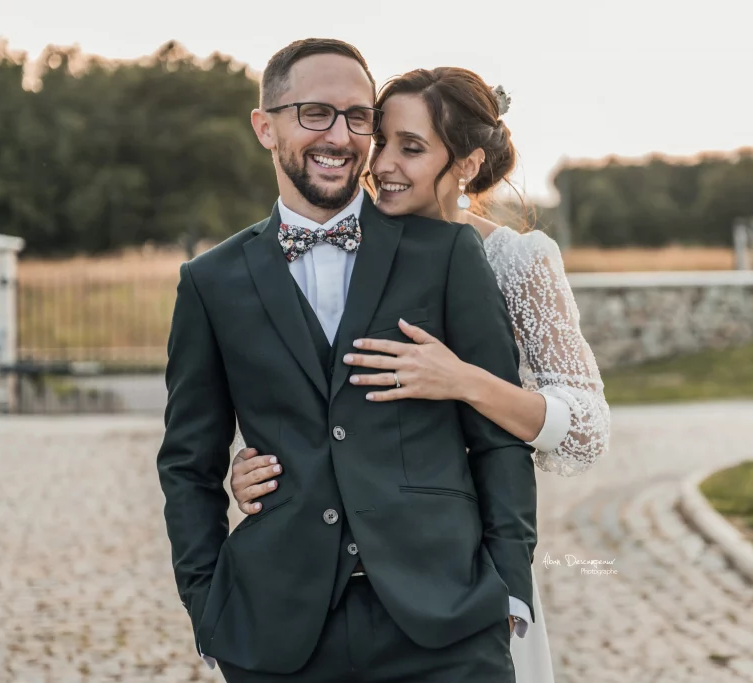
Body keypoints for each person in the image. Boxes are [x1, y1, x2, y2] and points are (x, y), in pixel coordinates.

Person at [156, 38, 537, 683]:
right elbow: (188, 464)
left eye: (358, 117)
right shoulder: (210, 281)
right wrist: (209, 608)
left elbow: (498, 438)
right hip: (278, 634)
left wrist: (508, 591)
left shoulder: (445, 255)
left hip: (448, 628)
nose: (339, 135)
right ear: (265, 127)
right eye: (315, 113)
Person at [229, 65, 611, 682]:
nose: (381, 164)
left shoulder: (514, 258)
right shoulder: (335, 243)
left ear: (466, 163)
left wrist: (464, 381)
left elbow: (587, 429)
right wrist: (257, 464)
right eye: (381, 140)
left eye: (411, 148)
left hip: (466, 579)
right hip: (341, 599)